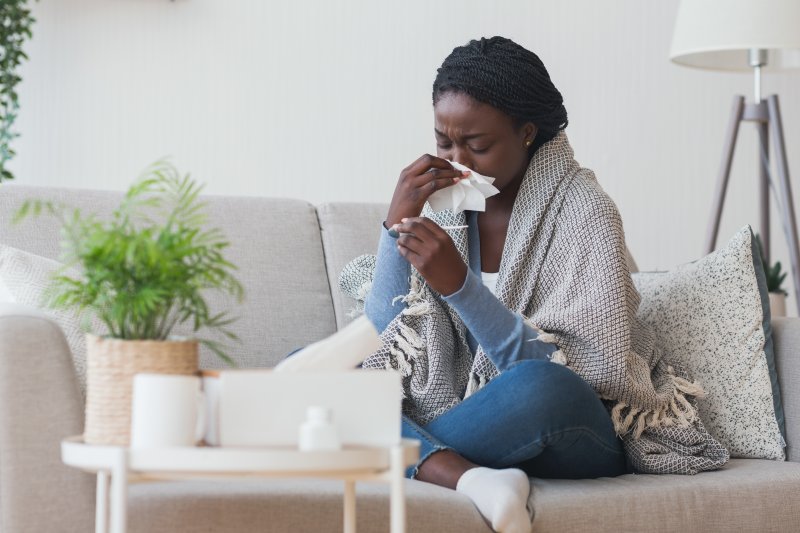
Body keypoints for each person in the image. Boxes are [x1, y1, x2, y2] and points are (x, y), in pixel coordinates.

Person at [339, 36, 728, 533]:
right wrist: (395, 226)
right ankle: (471, 477)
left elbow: (587, 373)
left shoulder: (586, 212)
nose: (458, 161)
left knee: (538, 388)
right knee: (305, 371)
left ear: (526, 133)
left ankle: (387, 446)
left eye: (477, 145)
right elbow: (383, 335)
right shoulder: (442, 207)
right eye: (444, 141)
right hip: (472, 418)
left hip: (569, 426)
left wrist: (461, 287)